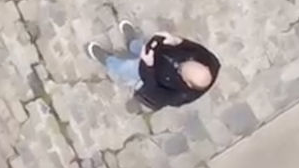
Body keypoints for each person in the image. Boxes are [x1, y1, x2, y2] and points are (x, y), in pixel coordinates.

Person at [87, 22, 222, 109]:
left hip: (149, 71)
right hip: (160, 52)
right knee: (142, 46)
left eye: (183, 69)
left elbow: (152, 91)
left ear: (188, 83)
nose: (184, 63)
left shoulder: (179, 96)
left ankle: (107, 60)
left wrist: (148, 66)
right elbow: (195, 48)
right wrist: (176, 41)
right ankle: (133, 43)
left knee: (125, 67)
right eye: (191, 62)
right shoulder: (209, 62)